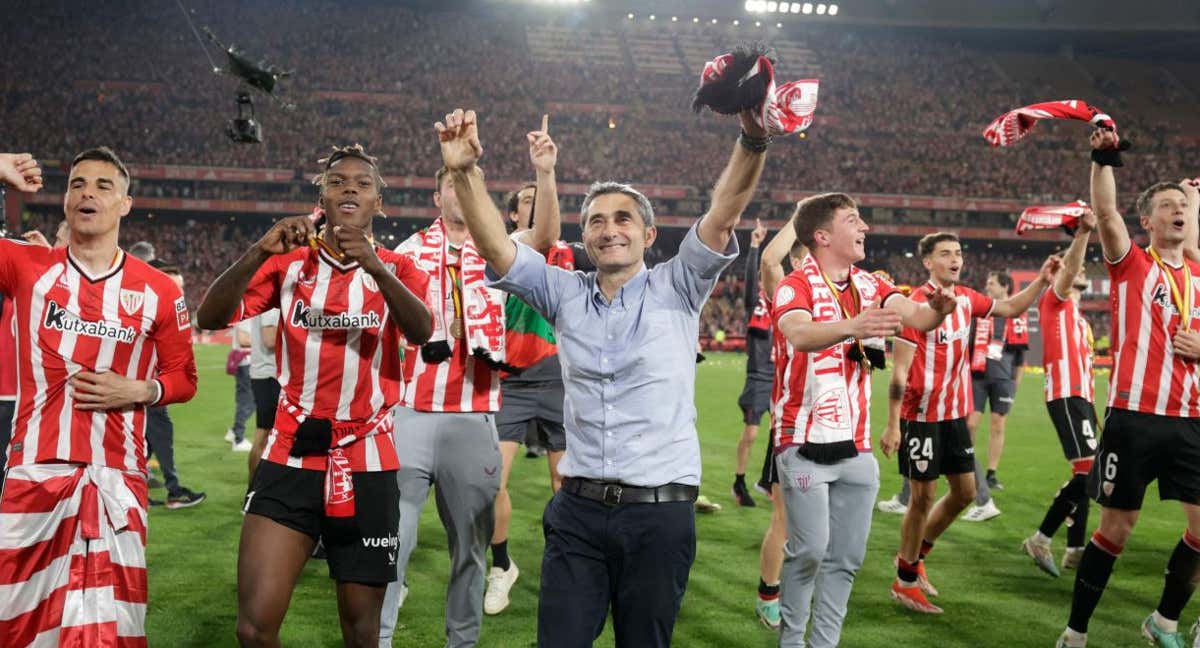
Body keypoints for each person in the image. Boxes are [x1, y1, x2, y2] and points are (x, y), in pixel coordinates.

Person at [436, 105, 765, 647]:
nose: (609, 230)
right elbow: (497, 248)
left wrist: (752, 137)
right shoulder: (563, 292)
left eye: (622, 219)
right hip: (578, 514)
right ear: (584, 237)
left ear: (649, 232)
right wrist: (465, 172)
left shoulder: (679, 285)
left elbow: (723, 213)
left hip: (660, 516)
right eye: (596, 221)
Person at [196, 144, 431, 648]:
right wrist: (259, 250)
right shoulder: (286, 265)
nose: (349, 188)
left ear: (379, 202)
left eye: (362, 183)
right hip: (290, 453)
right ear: (320, 197)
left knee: (361, 631)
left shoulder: (399, 268)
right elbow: (210, 318)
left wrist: (377, 267)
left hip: (367, 459)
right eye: (337, 181)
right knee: (255, 629)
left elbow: (423, 331)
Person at [0, 147, 197, 647]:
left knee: (113, 632)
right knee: (19, 626)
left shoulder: (158, 290)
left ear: (125, 204)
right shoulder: (27, 267)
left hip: (118, 481)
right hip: (35, 473)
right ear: (66, 201)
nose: (87, 192)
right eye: (76, 184)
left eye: (103, 186)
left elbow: (184, 377)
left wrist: (141, 388)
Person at [770, 194, 956, 647]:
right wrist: (855, 326)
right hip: (802, 444)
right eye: (853, 220)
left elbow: (919, 316)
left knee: (846, 559)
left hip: (856, 450)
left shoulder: (872, 284)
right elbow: (797, 333)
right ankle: (791, 641)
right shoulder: (796, 285)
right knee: (810, 550)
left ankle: (823, 644)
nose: (865, 228)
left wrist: (940, 310)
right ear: (822, 236)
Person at [1055, 131, 1200, 648]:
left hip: (1190, 420)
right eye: (1167, 206)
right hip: (1133, 417)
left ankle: (1162, 621)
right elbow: (1107, 211)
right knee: (1117, 529)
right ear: (1149, 221)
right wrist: (1102, 157)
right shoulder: (1133, 265)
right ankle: (1075, 631)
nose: (1178, 212)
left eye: (1182, 207)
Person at [378, 150, 513, 646]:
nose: (460, 193)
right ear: (437, 198)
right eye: (452, 185)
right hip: (410, 415)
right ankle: (381, 637)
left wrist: (544, 173)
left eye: (468, 183)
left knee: (471, 550)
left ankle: (463, 642)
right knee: (392, 543)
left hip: (473, 416)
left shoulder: (499, 255)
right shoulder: (406, 255)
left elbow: (543, 239)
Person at [882, 231, 1056, 614]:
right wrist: (893, 424)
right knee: (922, 498)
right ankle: (905, 580)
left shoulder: (966, 300)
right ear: (928, 262)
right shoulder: (914, 306)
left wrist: (1042, 281)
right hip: (921, 416)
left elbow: (1009, 308)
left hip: (954, 414)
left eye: (958, 252)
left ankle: (914, 558)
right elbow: (899, 372)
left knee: (963, 493)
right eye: (945, 254)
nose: (955, 259)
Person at [486, 116, 570, 617]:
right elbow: (538, 238)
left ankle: (566, 565)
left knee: (567, 485)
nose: (536, 207)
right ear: (513, 212)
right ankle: (502, 566)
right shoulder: (505, 250)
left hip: (561, 379)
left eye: (542, 201)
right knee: (491, 481)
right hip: (511, 380)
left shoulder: (571, 253)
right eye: (528, 202)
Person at [1022, 208, 1098, 578]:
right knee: (1089, 472)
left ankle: (1076, 548)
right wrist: (1082, 233)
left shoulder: (1079, 320)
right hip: (1065, 394)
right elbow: (1069, 271)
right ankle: (1040, 538)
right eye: (1075, 268)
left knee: (1085, 474)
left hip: (1080, 399)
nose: (1080, 270)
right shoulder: (1056, 301)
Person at [748, 218, 804, 630]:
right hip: (792, 423)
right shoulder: (787, 292)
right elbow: (770, 260)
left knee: (821, 525)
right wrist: (800, 216)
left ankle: (801, 591)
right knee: (784, 518)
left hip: (836, 426)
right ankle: (769, 592)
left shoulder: (843, 292)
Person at [127, 241, 207, 508]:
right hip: (149, 386)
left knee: (149, 439)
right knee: (160, 435)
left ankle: (137, 488)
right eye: (176, 287)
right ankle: (174, 490)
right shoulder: (148, 308)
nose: (180, 293)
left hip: (154, 385)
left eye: (182, 288)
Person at [966, 271, 1022, 495]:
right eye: (987, 282)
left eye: (992, 283)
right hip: (977, 376)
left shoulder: (1015, 316)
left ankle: (991, 473)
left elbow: (1019, 358)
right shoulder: (980, 312)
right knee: (970, 424)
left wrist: (1014, 385)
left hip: (1003, 379)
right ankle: (968, 469)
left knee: (998, 425)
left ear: (1005, 287)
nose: (987, 286)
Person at [732, 218, 771, 508]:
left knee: (782, 435)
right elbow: (750, 285)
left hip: (782, 379)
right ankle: (740, 481)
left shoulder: (788, 308)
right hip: (758, 378)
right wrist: (755, 245)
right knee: (752, 433)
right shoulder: (756, 307)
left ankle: (769, 481)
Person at [247, 310, 281, 480]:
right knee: (264, 434)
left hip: (269, 374)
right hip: (269, 374)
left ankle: (259, 487)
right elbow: (270, 339)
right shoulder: (272, 307)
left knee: (270, 434)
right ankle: (253, 488)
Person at [227, 318, 255, 451]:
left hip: (245, 362)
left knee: (246, 400)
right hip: (247, 362)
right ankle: (238, 439)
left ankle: (234, 432)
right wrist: (263, 340)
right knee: (248, 401)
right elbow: (243, 340)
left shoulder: (246, 315)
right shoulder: (246, 317)